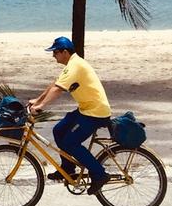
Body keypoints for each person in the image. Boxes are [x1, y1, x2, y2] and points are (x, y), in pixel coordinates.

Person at [27, 36, 112, 195]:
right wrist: (37, 100)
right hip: (87, 109)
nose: (53, 56)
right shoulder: (72, 64)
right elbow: (55, 85)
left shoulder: (75, 65)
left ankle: (99, 174)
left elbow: (58, 90)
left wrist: (40, 107)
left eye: (55, 52)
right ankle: (68, 169)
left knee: (70, 143)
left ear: (65, 52)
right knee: (59, 130)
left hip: (95, 113)